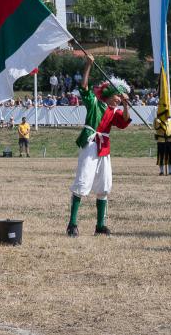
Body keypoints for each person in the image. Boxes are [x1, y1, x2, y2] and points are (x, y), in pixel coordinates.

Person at [66, 57, 131, 237]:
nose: (119, 99)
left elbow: (125, 121)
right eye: (118, 96)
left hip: (105, 148)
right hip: (90, 144)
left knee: (104, 186)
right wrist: (88, 65)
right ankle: (72, 224)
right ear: (109, 93)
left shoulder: (114, 112)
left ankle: (100, 225)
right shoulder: (94, 103)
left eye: (120, 97)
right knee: (82, 181)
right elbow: (84, 87)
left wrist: (126, 104)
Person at [153, 107, 171, 176]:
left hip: (170, 140)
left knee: (170, 156)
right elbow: (156, 127)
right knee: (161, 156)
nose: (168, 114)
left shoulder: (170, 121)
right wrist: (158, 120)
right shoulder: (158, 120)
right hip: (162, 140)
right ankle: (162, 171)